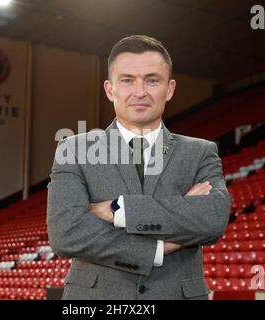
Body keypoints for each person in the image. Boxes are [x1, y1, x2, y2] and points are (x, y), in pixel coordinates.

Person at [47, 35, 231, 300]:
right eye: (127, 80)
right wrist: (158, 248)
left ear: (169, 89)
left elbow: (212, 220)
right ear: (110, 90)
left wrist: (118, 210)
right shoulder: (73, 149)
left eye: (152, 80)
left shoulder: (200, 152)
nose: (140, 91)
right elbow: (66, 234)